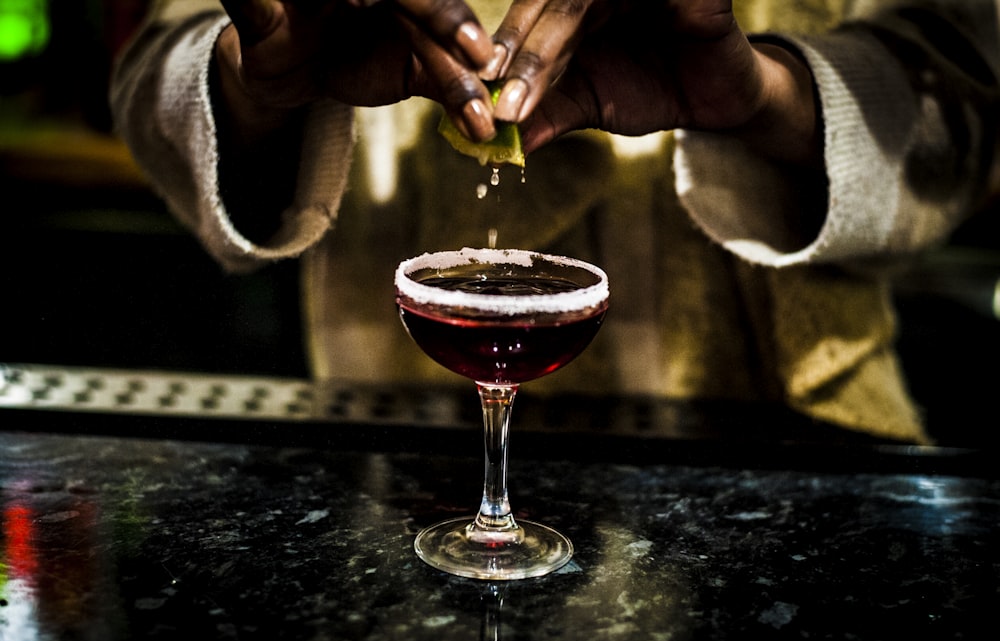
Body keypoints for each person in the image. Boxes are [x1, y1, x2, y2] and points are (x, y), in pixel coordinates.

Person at [110, 0, 1000, 445]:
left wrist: (764, 93)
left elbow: (969, 104)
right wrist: (250, 77)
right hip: (400, 438)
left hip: (793, 445)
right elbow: (157, 63)